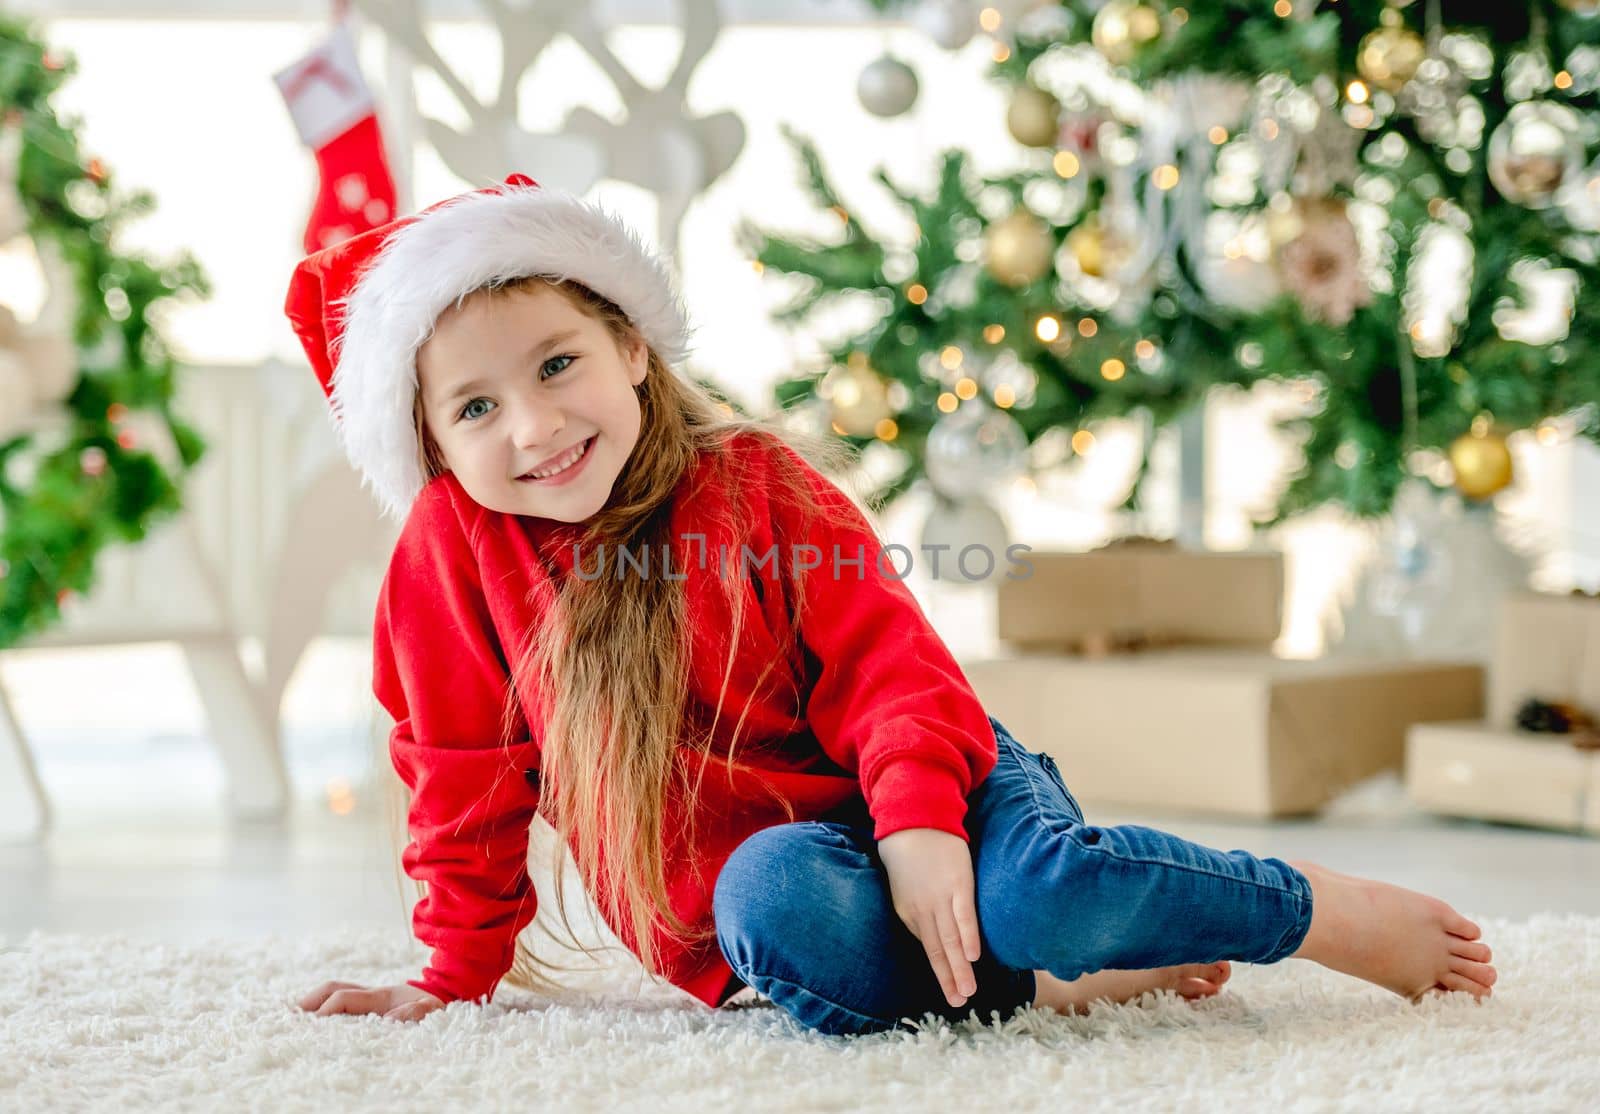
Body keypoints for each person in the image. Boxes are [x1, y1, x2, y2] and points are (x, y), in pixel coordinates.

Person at [285, 174, 1496, 1037]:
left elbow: (889, 662)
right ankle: (1068, 982)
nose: (536, 426)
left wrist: (918, 821)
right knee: (766, 914)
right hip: (798, 871)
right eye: (477, 408)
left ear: (632, 349)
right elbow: (460, 770)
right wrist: (451, 972)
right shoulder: (451, 557)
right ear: (431, 441)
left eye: (557, 364)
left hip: (934, 781)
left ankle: (1309, 907)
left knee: (1041, 893)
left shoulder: (749, 481)